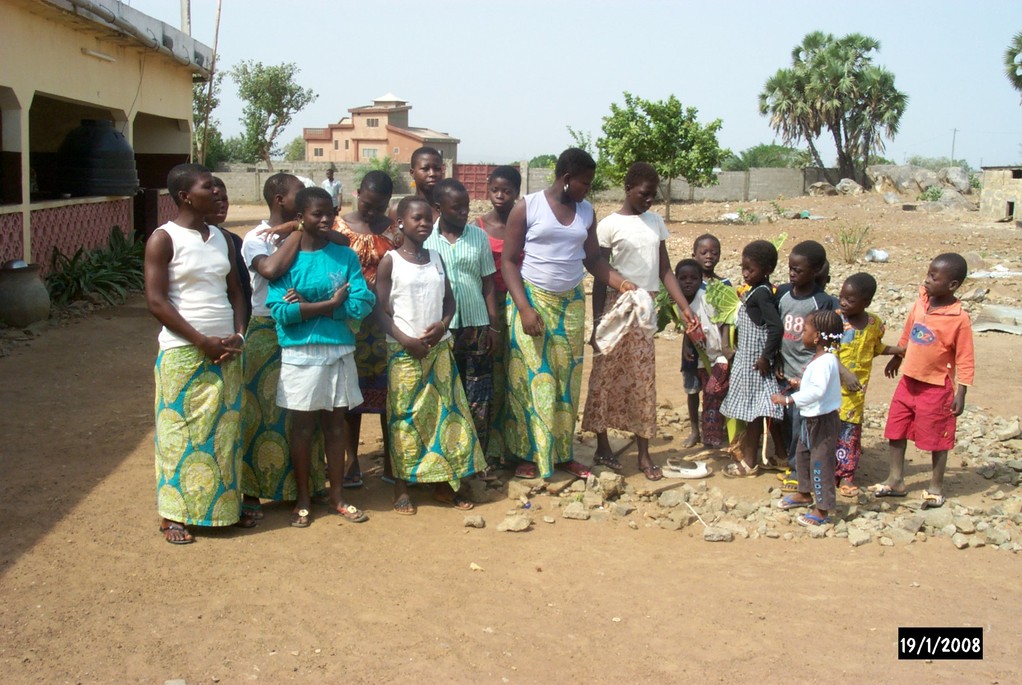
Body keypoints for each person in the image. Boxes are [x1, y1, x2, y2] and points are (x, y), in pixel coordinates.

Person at [501, 148, 637, 481]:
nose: (587, 190)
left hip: (571, 305)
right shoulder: (527, 207)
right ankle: (527, 454)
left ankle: (561, 454)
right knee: (532, 380)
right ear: (566, 179)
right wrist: (524, 308)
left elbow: (593, 260)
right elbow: (508, 261)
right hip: (532, 300)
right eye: (584, 183)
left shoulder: (586, 211)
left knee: (566, 382)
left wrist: (623, 284)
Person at [144, 163, 249, 544]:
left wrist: (238, 333)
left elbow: (236, 291)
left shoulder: (222, 237)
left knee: (223, 432)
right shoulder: (163, 238)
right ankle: (173, 516)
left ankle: (222, 509)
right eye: (210, 188)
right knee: (179, 431)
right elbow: (156, 301)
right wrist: (200, 339)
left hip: (227, 348)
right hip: (183, 349)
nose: (218, 193)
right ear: (185, 196)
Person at [266, 187, 376, 527]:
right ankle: (303, 498)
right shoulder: (288, 260)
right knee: (301, 429)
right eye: (317, 213)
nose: (326, 219)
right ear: (300, 218)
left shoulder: (344, 256)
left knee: (335, 427)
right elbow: (279, 310)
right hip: (300, 353)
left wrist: (311, 308)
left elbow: (363, 302)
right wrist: (330, 303)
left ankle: (337, 496)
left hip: (339, 350)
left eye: (330, 212)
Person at [581, 162, 696, 480]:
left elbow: (665, 270)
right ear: (628, 188)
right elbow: (601, 277)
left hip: (645, 309)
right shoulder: (609, 226)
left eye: (653, 195)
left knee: (643, 379)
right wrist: (597, 325)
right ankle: (603, 445)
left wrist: (684, 308)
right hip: (616, 308)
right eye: (644, 194)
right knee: (604, 378)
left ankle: (644, 455)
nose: (649, 200)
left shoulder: (656, 222)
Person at [375, 196, 486, 514]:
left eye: (427, 219)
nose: (424, 223)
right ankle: (401, 488)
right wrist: (405, 339)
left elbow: (449, 302)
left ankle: (443, 485)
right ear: (400, 223)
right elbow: (379, 310)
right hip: (404, 353)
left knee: (446, 417)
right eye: (416, 218)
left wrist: (443, 325)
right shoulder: (390, 262)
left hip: (438, 351)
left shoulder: (437, 258)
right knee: (404, 420)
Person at [239, 173, 331, 519]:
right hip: (267, 328)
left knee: (306, 410)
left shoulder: (310, 231)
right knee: (263, 410)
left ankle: (305, 485)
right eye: (299, 193)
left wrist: (300, 227)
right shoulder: (257, 237)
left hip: (306, 325)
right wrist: (296, 231)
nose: (306, 197)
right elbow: (272, 269)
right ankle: (255, 488)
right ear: (279, 199)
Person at [870, 253, 974, 509]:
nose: (926, 280)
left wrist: (962, 392)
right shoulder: (921, 303)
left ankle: (936, 486)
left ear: (952, 285)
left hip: (937, 386)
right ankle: (896, 480)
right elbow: (909, 331)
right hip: (908, 381)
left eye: (933, 277)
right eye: (928, 274)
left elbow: (965, 357)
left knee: (937, 436)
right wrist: (898, 355)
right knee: (896, 429)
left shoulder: (959, 318)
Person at [425, 178, 501, 479]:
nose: (463, 213)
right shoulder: (426, 240)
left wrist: (493, 326)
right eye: (455, 208)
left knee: (478, 396)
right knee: (444, 393)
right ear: (438, 208)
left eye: (466, 207)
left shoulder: (478, 237)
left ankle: (478, 461)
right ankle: (446, 458)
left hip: (476, 325)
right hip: (441, 328)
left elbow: (488, 283)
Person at [333, 171, 401, 488]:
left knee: (390, 395)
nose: (371, 212)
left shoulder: (394, 232)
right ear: (356, 192)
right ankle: (351, 464)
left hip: (386, 324)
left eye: (379, 207)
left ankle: (392, 461)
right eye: (366, 204)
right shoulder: (337, 228)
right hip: (349, 326)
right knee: (350, 397)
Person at [770, 310, 844, 526]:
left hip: (823, 422)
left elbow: (818, 392)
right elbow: (816, 387)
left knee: (821, 463)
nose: (800, 333)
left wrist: (789, 400)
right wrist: (801, 384)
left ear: (817, 336)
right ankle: (804, 493)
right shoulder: (821, 359)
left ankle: (823, 509)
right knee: (803, 456)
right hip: (810, 419)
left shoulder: (826, 361)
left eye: (804, 330)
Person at [471, 165, 522, 469]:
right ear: (488, 190)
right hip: (486, 307)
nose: (501, 196)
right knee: (487, 374)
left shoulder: (525, 224)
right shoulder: (477, 227)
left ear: (517, 192)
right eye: (495, 190)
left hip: (518, 306)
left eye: (507, 191)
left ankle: (511, 444)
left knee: (513, 376)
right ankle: (486, 445)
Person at [720, 240, 785, 477]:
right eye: (743, 268)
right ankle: (780, 455)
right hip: (751, 361)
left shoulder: (762, 295)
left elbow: (775, 327)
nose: (745, 274)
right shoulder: (757, 291)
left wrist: (766, 357)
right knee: (765, 410)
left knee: (754, 414)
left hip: (755, 364)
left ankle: (749, 462)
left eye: (751, 269)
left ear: (766, 269)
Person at [834, 273, 902, 497]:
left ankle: (846, 475)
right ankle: (826, 471)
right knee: (828, 430)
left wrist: (898, 352)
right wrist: (845, 372)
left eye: (850, 300)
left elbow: (876, 348)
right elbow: (825, 351)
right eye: (842, 297)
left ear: (866, 302)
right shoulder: (835, 320)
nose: (843, 302)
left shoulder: (874, 324)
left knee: (850, 432)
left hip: (855, 394)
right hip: (831, 389)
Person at [775, 240, 836, 490]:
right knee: (786, 420)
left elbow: (827, 341)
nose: (792, 274)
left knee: (802, 423)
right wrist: (776, 357)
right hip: (784, 369)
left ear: (817, 270)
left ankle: (797, 468)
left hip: (805, 374)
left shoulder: (822, 302)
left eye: (798, 270)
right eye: (790, 268)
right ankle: (789, 460)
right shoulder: (782, 294)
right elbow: (777, 327)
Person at [676, 258, 731, 450]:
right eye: (683, 278)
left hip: (715, 355)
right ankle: (695, 431)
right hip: (694, 354)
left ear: (701, 280)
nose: (688, 282)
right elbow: (687, 328)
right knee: (692, 391)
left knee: (712, 393)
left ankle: (715, 433)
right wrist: (686, 346)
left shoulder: (706, 298)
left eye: (693, 278)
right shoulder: (678, 304)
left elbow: (723, 321)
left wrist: (725, 347)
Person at [209, 176, 252, 321]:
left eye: (225, 199)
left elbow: (243, 288)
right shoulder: (174, 239)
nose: (222, 205)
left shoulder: (232, 240)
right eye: (216, 200)